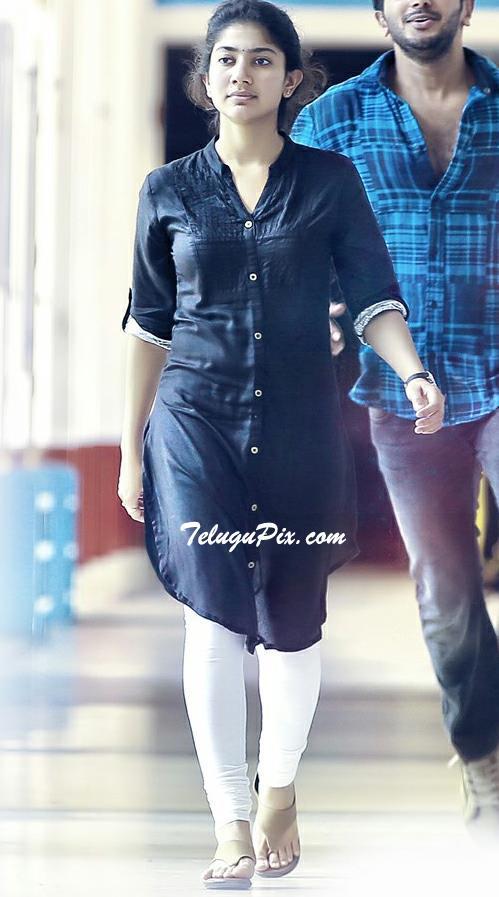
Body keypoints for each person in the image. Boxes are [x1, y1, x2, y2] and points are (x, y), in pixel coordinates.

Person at [118, 0, 445, 887]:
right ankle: (228, 817)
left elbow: (372, 297)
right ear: (205, 76)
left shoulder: (331, 182)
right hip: (193, 422)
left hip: (299, 422)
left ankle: (279, 786)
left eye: (263, 60)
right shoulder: (167, 190)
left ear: (292, 78)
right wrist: (129, 449)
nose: (242, 74)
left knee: (292, 618)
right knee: (213, 612)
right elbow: (147, 327)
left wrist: (412, 372)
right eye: (227, 58)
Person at [292, 0, 499, 837]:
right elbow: (295, 239)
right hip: (401, 387)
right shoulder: (331, 120)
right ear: (378, 10)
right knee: (444, 587)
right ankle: (483, 757)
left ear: (467, 5)